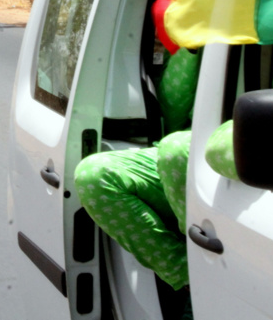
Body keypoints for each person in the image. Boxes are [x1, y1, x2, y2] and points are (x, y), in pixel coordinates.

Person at [74, 48, 201, 291]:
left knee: (176, 149)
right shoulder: (205, 37)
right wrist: (191, 50)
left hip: (249, 158)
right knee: (93, 175)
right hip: (183, 159)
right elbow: (171, 115)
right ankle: (188, 277)